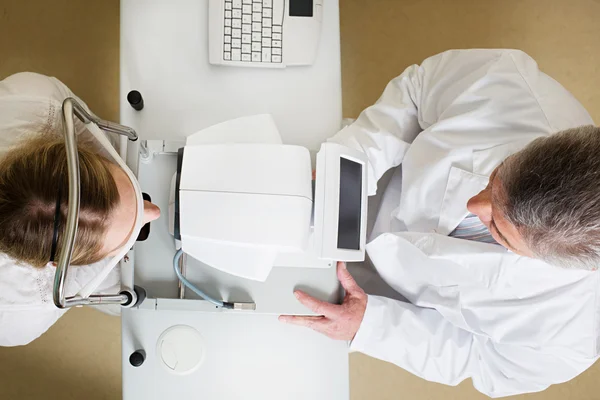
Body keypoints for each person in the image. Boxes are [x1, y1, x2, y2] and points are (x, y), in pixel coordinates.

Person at [280, 49, 600, 397]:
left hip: (369, 296)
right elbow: (418, 93)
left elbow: (479, 359)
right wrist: (351, 162)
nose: (473, 203)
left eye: (497, 228)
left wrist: (371, 324)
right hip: (359, 177)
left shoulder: (566, 338)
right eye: (494, 179)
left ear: (543, 259)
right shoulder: (508, 84)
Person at [0, 72, 161, 346]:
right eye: (129, 235)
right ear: (57, 265)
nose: (154, 211)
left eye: (136, 194)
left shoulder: (35, 98)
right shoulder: (15, 316)